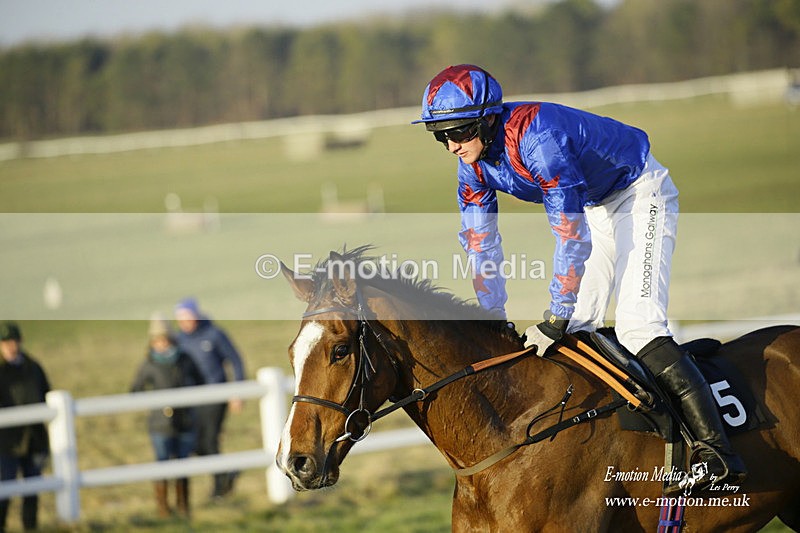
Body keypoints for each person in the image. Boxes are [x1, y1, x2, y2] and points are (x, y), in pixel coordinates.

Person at [413, 64, 746, 493]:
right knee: (574, 330)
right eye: (441, 135)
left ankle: (716, 452)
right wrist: (491, 313)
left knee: (637, 324)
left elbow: (569, 234)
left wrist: (556, 311)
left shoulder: (538, 139)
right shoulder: (472, 168)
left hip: (639, 191)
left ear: (487, 118)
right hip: (597, 204)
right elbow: (481, 242)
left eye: (457, 132)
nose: (450, 146)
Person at [131, 314, 205, 518]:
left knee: (182, 466)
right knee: (162, 464)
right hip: (160, 424)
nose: (161, 344)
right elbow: (135, 389)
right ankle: (163, 509)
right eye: (157, 340)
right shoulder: (149, 364)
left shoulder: (184, 359)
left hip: (185, 421)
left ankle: (183, 507)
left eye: (164, 339)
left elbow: (199, 381)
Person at [173, 298, 246, 500]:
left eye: (188, 317)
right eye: (181, 319)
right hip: (192, 400)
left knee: (210, 440)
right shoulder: (179, 340)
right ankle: (226, 474)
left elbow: (235, 360)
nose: (185, 322)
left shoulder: (214, 334)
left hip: (216, 396)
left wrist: (237, 392)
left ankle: (218, 489)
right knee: (197, 445)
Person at [0, 322, 51, 533]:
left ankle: (31, 527)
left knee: (33, 487)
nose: (11, 346)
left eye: (14, 341)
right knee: (5, 486)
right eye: (6, 342)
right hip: (6, 442)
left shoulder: (33, 367)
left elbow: (47, 393)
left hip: (33, 437)